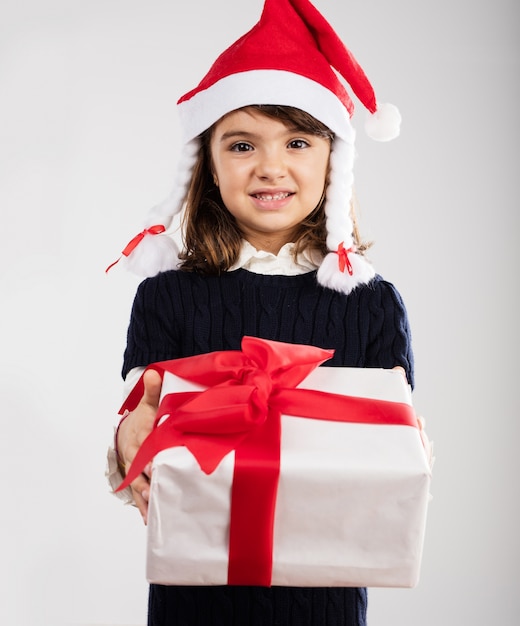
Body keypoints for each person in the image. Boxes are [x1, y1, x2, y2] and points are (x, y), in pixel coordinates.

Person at [106, 1, 414, 624]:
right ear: (209, 168)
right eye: (242, 144)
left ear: (334, 160)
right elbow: (142, 412)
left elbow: (390, 434)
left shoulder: (373, 303)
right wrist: (125, 442)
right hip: (195, 593)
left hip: (323, 596)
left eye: (298, 141)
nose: (270, 166)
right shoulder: (166, 296)